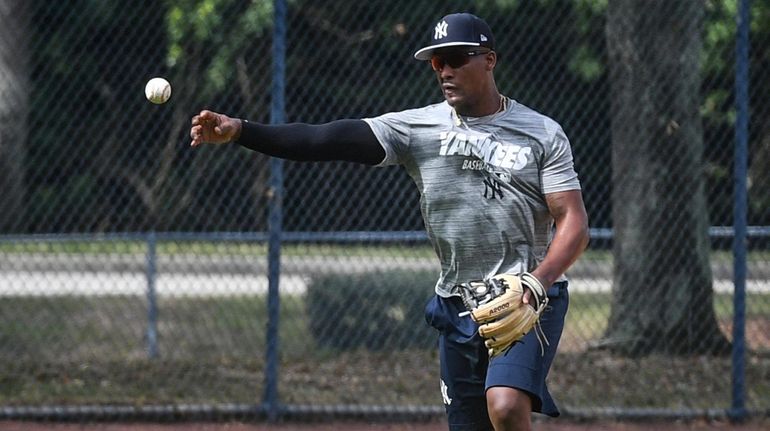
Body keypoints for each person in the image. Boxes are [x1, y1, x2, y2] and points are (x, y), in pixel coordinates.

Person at [190, 12, 589, 431]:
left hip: (526, 296)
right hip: (459, 303)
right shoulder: (419, 128)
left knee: (506, 407)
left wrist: (538, 282)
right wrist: (241, 131)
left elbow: (574, 223)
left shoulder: (541, 132)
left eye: (456, 58)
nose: (446, 71)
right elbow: (324, 139)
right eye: (437, 63)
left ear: (489, 60)